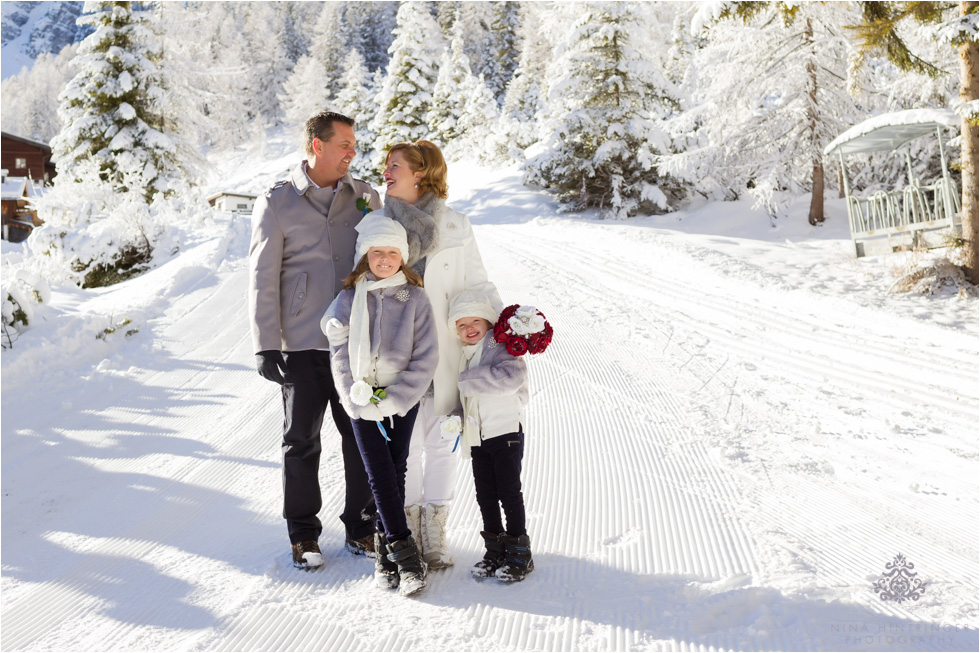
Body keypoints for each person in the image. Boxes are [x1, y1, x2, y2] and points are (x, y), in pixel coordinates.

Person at [248, 111, 380, 570]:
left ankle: (363, 528)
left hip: (355, 343)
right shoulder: (278, 201)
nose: (352, 152)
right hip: (302, 343)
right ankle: (303, 535)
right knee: (300, 441)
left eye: (354, 144)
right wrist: (267, 344)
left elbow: (383, 265)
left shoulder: (365, 197)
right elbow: (263, 277)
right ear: (316, 146)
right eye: (344, 143)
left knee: (361, 437)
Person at [381, 140, 502, 569]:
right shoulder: (378, 224)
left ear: (420, 173)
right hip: (396, 357)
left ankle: (435, 531)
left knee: (441, 444)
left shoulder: (455, 226)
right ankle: (407, 529)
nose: (385, 172)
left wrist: (505, 327)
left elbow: (478, 284)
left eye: (394, 165)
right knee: (404, 449)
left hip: (444, 354)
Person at [321, 214, 439, 597]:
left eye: (392, 253)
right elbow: (338, 353)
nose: (385, 259)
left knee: (396, 468)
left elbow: (426, 357)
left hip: (401, 398)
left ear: (402, 257)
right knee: (378, 473)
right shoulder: (348, 299)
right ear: (365, 256)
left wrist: (396, 398)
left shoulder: (415, 298)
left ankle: (384, 556)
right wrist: (353, 398)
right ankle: (407, 557)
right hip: (360, 397)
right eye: (377, 252)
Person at [447, 290, 533, 582]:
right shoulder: (465, 355)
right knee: (485, 495)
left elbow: (512, 379)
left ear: (487, 321)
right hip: (479, 436)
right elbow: (467, 397)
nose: (469, 328)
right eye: (461, 324)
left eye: (475, 321)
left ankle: (520, 552)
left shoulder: (501, 346)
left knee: (509, 493)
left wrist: (467, 381)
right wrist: (457, 416)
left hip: (505, 430)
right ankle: (494, 549)